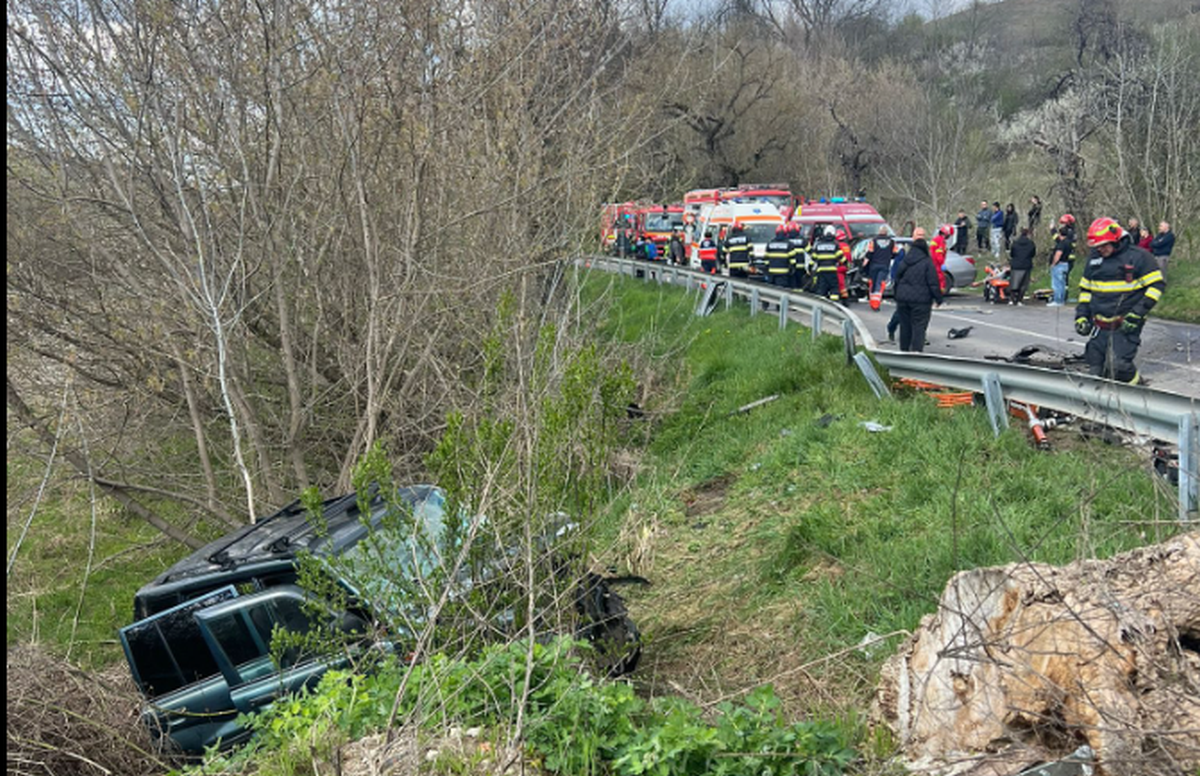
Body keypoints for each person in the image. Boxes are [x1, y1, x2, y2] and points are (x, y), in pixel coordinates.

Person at [1074, 217, 1165, 384]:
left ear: (1116, 239)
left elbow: (1157, 285)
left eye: (1104, 245)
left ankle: (1137, 392)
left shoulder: (1139, 257)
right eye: (1097, 246)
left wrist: (1137, 314)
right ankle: (1099, 405)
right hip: (1099, 325)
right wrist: (1081, 316)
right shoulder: (1094, 260)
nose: (1100, 249)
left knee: (1119, 366)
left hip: (1125, 324)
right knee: (1094, 365)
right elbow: (1086, 290)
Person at [894, 227, 943, 352]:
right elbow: (933, 282)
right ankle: (916, 354)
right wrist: (938, 298)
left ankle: (904, 352)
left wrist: (897, 294)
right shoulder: (927, 262)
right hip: (921, 301)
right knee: (919, 328)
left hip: (903, 299)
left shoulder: (906, 259)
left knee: (905, 327)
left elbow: (897, 277)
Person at [863, 226, 897, 311]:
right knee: (880, 284)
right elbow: (895, 253)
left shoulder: (873, 241)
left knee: (873, 283)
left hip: (874, 265)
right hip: (884, 265)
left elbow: (869, 253)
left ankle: (872, 302)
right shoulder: (892, 242)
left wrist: (864, 263)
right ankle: (876, 304)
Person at [810, 225, 846, 301]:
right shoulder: (835, 244)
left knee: (821, 289)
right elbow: (841, 258)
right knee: (834, 288)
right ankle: (834, 305)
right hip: (832, 271)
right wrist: (846, 264)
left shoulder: (818, 245)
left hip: (821, 271)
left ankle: (821, 306)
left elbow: (813, 257)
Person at [1047, 215, 1076, 306]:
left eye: (1063, 223)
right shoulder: (1072, 232)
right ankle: (1063, 298)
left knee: (1059, 282)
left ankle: (1059, 299)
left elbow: (1058, 240)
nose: (1062, 225)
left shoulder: (1068, 234)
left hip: (1064, 260)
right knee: (1063, 281)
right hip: (1067, 260)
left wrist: (1052, 230)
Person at [1008, 227, 1036, 305]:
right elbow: (1033, 254)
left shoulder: (1015, 243)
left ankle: (1012, 299)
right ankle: (1019, 300)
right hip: (1026, 265)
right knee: (1023, 284)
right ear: (1028, 234)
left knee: (1014, 282)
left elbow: (1012, 254)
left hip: (1016, 265)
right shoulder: (1031, 243)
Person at [931, 224, 951, 293]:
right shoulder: (941, 241)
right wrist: (942, 263)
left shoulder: (936, 239)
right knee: (940, 279)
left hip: (933, 262)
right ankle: (939, 295)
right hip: (937, 264)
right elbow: (939, 253)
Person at [835, 228, 852, 300]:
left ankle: (844, 298)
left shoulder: (838, 246)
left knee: (841, 284)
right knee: (843, 283)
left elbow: (837, 257)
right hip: (846, 266)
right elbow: (849, 257)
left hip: (839, 267)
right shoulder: (846, 246)